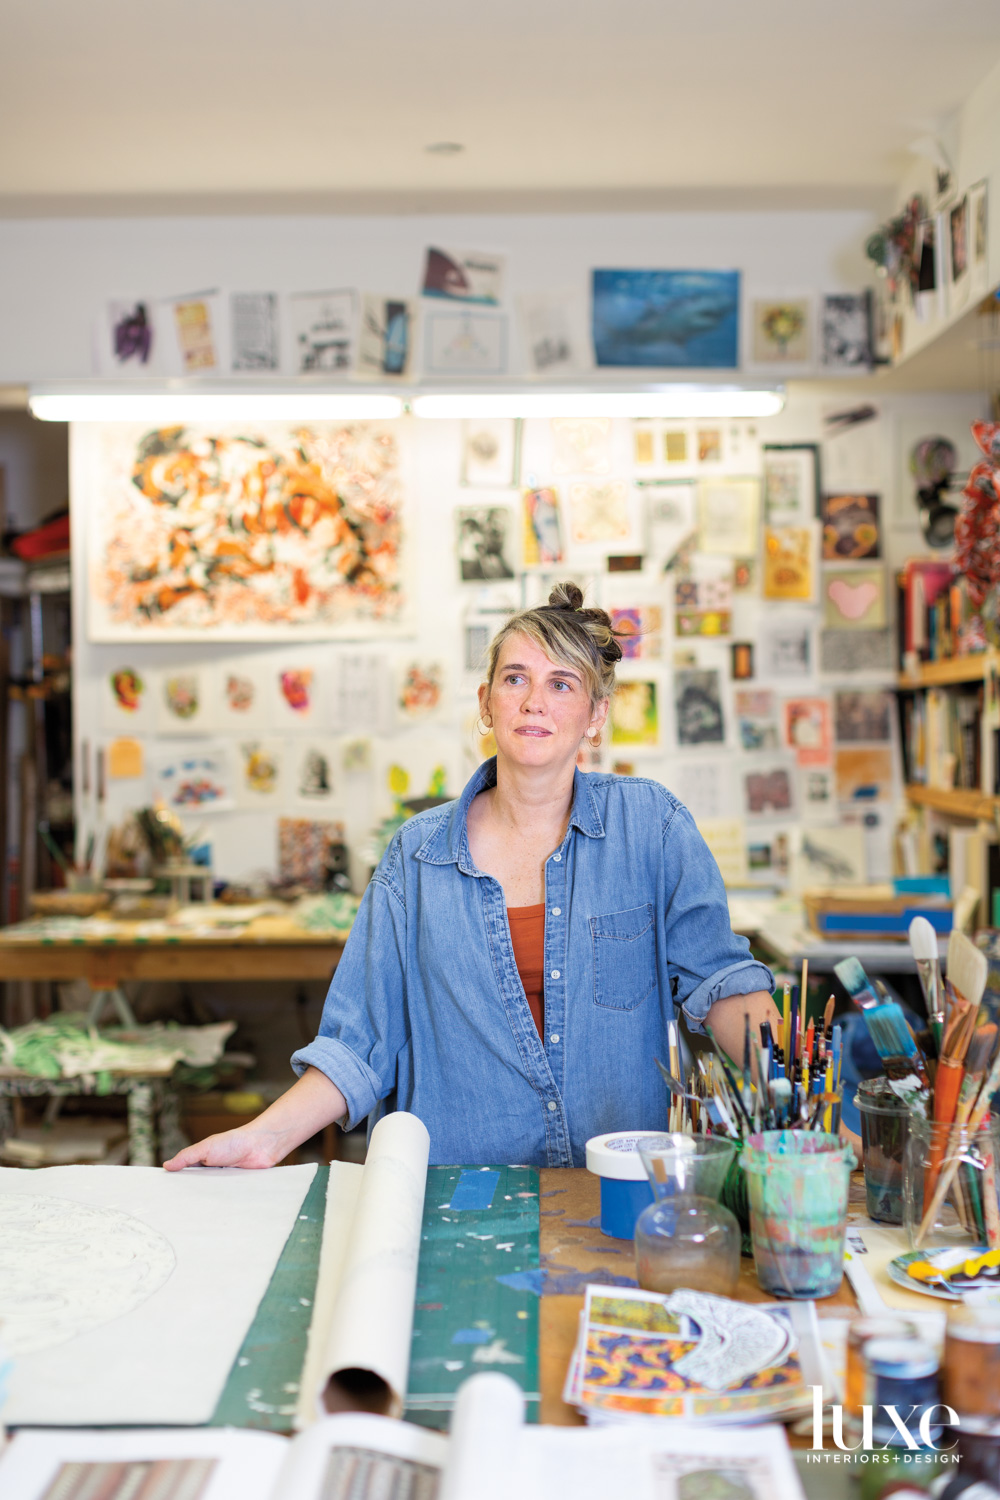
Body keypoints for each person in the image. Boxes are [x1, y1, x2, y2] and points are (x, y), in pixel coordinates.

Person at [165, 583, 780, 1172]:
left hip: (615, 1187)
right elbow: (359, 1041)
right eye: (516, 679)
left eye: (561, 684)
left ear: (596, 714)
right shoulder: (416, 855)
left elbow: (723, 983)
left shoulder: (652, 827)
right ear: (487, 703)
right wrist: (261, 1139)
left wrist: (788, 1093)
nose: (535, 701)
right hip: (459, 1192)